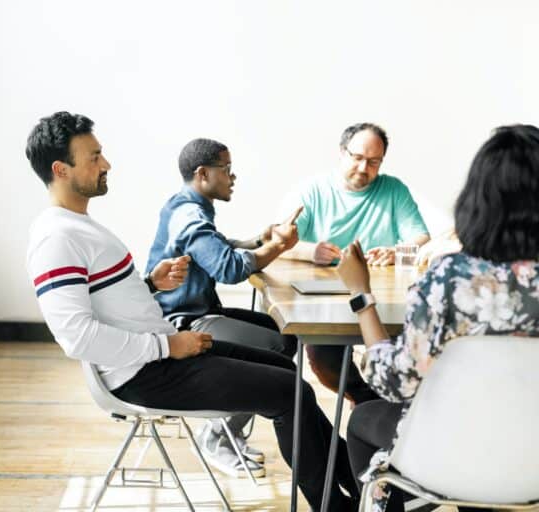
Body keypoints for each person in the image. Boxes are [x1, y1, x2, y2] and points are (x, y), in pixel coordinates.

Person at [25, 111, 359, 511]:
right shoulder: (55, 239)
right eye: (94, 157)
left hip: (161, 352)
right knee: (291, 393)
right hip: (146, 372)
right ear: (61, 170)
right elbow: (76, 337)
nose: (106, 164)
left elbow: (104, 298)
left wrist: (149, 283)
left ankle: (357, 486)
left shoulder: (79, 226)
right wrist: (169, 347)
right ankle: (337, 505)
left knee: (288, 373)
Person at [336, 124, 539, 512]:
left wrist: (361, 296)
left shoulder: (450, 279)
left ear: (481, 196)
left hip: (450, 458)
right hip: (533, 459)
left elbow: (392, 382)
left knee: (363, 420)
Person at [145, 138, 301, 478]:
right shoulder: (190, 214)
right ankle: (216, 436)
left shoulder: (187, 205)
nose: (233, 177)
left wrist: (259, 242)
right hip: (184, 322)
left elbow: (219, 247)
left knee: (285, 335)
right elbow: (228, 268)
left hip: (197, 310)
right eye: (226, 169)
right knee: (275, 346)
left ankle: (225, 432)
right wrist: (278, 247)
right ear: (203, 173)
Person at [280, 122, 431, 405]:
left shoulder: (394, 189)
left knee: (412, 343)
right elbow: (277, 240)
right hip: (326, 299)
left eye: (374, 162)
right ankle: (365, 400)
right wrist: (311, 252)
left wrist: (399, 253)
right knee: (323, 355)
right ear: (342, 152)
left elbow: (422, 238)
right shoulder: (312, 190)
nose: (364, 168)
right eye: (357, 158)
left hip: (383, 299)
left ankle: (381, 402)